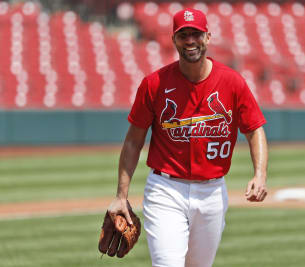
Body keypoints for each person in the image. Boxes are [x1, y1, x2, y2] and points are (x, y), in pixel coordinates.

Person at [106, 8, 268, 267]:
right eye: (183, 35)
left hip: (213, 191)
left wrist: (260, 175)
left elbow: (254, 129)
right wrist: (121, 195)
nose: (190, 40)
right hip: (166, 190)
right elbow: (133, 141)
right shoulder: (155, 84)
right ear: (174, 40)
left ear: (208, 37)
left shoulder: (232, 82)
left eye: (196, 34)